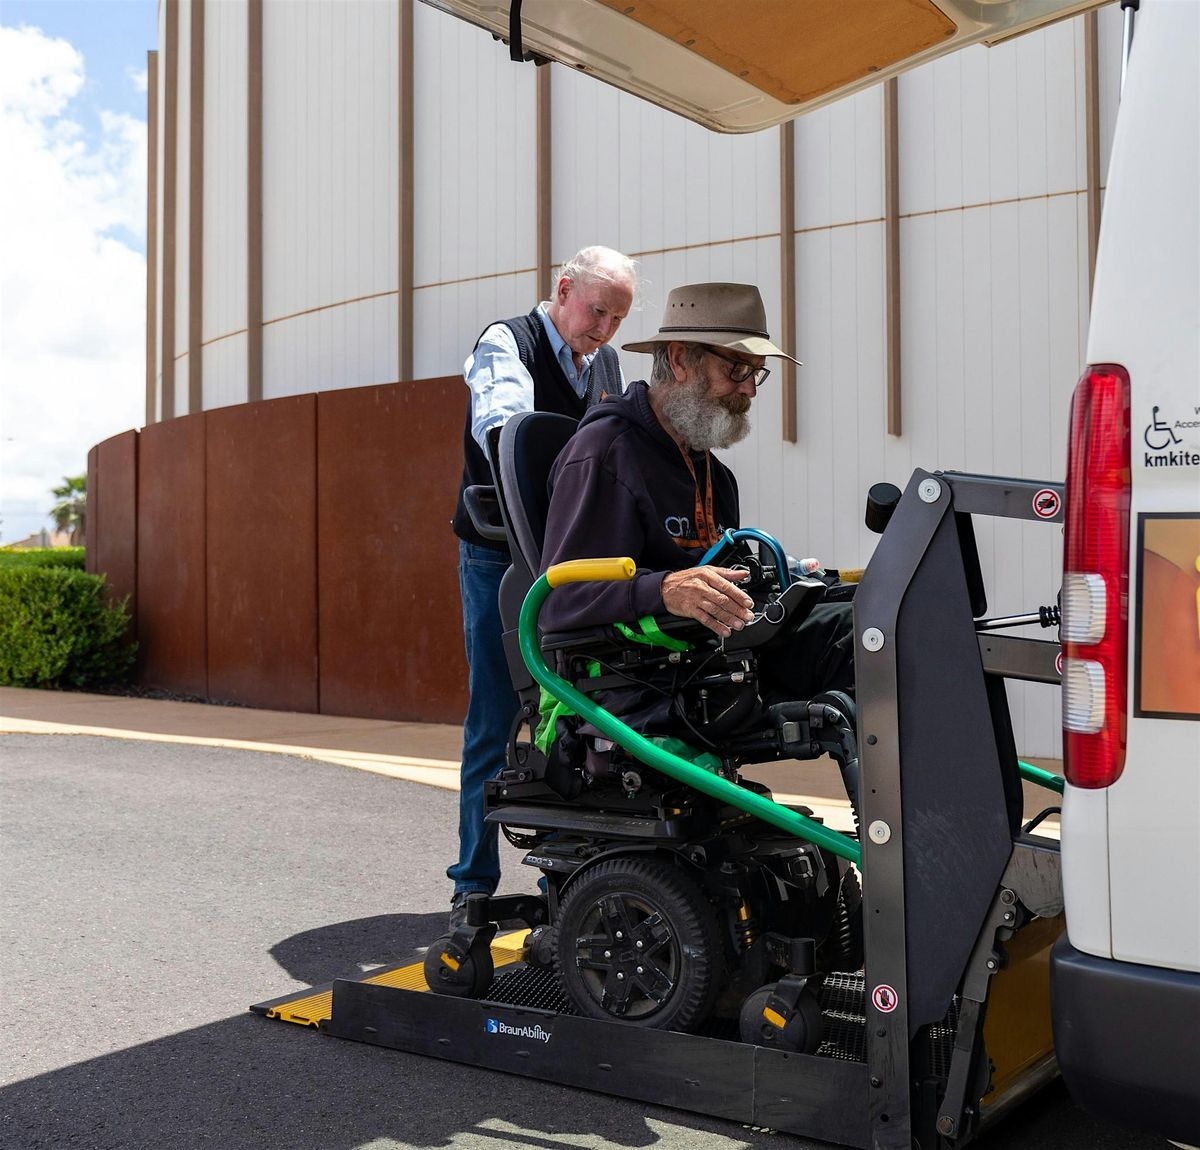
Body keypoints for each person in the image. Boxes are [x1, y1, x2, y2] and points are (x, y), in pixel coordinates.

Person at [539, 281, 854, 731]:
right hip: (648, 677)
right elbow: (558, 601)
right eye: (737, 370)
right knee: (858, 638)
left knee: (872, 616)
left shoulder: (713, 473)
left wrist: (783, 575)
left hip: (714, 656)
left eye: (756, 374)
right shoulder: (607, 452)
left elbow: (711, 568)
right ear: (681, 359)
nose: (750, 392)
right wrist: (666, 588)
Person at [449, 245, 637, 925]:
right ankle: (471, 887)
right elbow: (508, 432)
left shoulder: (606, 363)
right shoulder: (508, 343)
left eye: (617, 318)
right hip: (501, 554)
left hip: (569, 560)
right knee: (496, 719)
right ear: (564, 290)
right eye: (597, 311)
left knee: (569, 713)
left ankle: (564, 877)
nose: (605, 329)